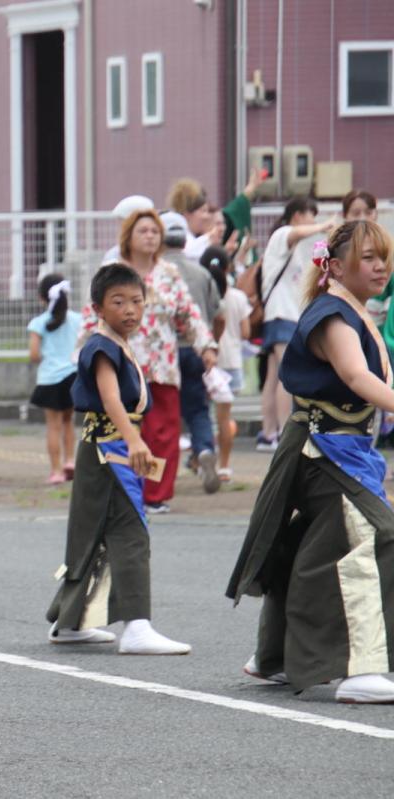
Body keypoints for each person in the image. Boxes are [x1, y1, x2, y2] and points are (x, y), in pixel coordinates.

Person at [228, 220, 394, 703]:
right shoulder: (332, 316)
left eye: (383, 255)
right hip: (321, 449)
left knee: (313, 542)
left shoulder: (355, 311)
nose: (380, 265)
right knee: (373, 534)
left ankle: (275, 656)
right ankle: (357, 667)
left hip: (337, 451)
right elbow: (356, 376)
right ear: (337, 266)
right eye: (369, 257)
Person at [48, 263, 191, 655]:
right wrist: (136, 444)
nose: (130, 309)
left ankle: (72, 621)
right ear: (97, 307)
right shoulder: (101, 347)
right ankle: (137, 627)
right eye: (118, 301)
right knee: (131, 534)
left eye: (136, 301)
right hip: (110, 450)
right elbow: (111, 400)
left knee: (94, 535)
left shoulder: (116, 343)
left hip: (109, 448)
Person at [82, 209, 217, 515]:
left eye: (155, 231)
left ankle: (156, 495)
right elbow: (91, 314)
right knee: (126, 428)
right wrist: (82, 353)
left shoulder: (169, 272)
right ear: (128, 236)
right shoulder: (113, 270)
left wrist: (205, 346)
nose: (150, 236)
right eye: (142, 231)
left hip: (164, 363)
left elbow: (189, 313)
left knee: (164, 431)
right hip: (124, 363)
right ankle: (128, 489)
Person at [257, 197, 336, 450]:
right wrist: (324, 226)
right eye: (310, 215)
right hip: (282, 315)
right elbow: (297, 233)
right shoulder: (282, 234)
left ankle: (268, 433)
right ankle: (282, 432)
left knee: (272, 377)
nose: (312, 221)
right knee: (284, 376)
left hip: (280, 316)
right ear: (298, 215)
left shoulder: (288, 245)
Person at [160, 215, 221, 495]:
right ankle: (205, 449)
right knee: (198, 409)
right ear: (185, 243)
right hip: (197, 349)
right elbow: (216, 312)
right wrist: (210, 345)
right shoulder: (201, 273)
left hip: (164, 352)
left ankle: (164, 470)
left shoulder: (157, 272)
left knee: (165, 411)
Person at [29, 273, 81, 485]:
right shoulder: (78, 319)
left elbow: (34, 354)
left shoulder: (38, 323)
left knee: (53, 426)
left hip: (50, 379)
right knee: (69, 422)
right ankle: (71, 461)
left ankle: (56, 470)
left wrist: (46, 357)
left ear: (42, 298)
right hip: (73, 376)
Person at [205, 246, 250, 484]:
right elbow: (245, 332)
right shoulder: (239, 297)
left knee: (205, 417)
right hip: (231, 363)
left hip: (208, 363)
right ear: (228, 267)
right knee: (224, 418)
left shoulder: (203, 295)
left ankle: (201, 459)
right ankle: (224, 467)